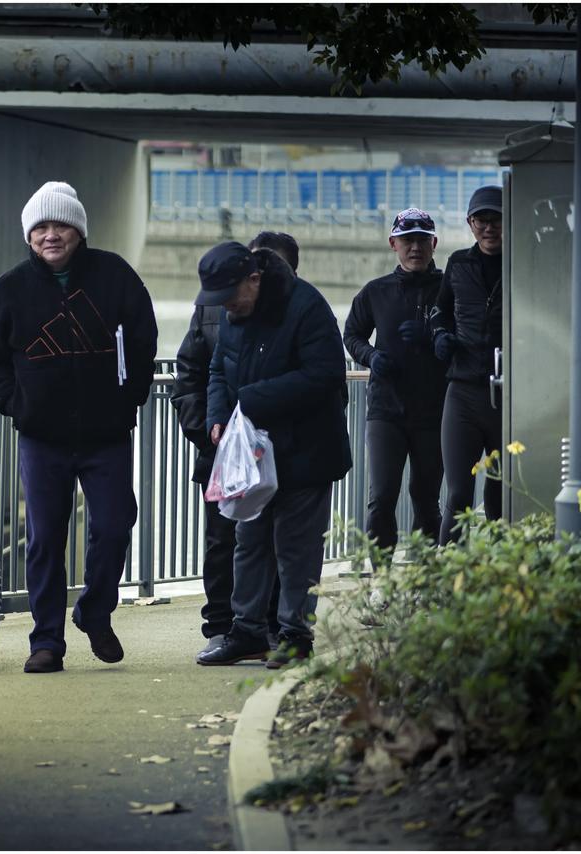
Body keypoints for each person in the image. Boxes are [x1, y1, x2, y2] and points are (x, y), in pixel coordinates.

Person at [0, 181, 157, 674]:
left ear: (78, 230)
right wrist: (17, 405)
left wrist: (130, 395)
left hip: (107, 432)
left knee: (115, 525)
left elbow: (143, 338)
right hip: (42, 436)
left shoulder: (114, 275)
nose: (50, 235)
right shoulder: (9, 290)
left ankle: (96, 611)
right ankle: (47, 640)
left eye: (60, 226)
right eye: (41, 227)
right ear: (29, 235)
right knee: (44, 537)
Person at [194, 241, 351, 669]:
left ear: (255, 279)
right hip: (253, 451)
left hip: (308, 449)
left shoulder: (306, 306)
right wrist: (219, 413)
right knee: (249, 541)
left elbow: (325, 375)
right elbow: (215, 369)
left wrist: (251, 399)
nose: (225, 306)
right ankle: (245, 632)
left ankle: (295, 635)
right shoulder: (231, 315)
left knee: (295, 547)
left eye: (230, 295)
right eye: (218, 300)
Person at [171, 232, 293, 659]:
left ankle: (279, 627)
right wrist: (206, 429)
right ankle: (222, 627)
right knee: (222, 542)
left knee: (280, 541)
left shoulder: (295, 312)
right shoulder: (211, 307)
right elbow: (191, 373)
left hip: (279, 451)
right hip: (220, 450)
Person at [343, 208, 447, 549]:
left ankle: (426, 574)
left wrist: (434, 339)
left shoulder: (450, 289)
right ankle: (381, 578)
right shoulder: (376, 291)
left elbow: (466, 338)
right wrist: (371, 356)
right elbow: (352, 334)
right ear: (393, 244)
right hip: (386, 409)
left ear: (434, 243)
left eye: (421, 240)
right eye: (407, 240)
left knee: (425, 497)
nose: (414, 247)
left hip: (435, 411)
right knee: (382, 496)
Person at [430, 185, 504, 545]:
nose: (489, 228)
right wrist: (440, 335)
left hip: (509, 395)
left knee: (501, 491)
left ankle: (502, 572)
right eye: (482, 220)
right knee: (458, 492)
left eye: (497, 219)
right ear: (470, 223)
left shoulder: (524, 262)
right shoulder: (458, 263)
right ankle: (447, 574)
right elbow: (439, 311)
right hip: (463, 392)